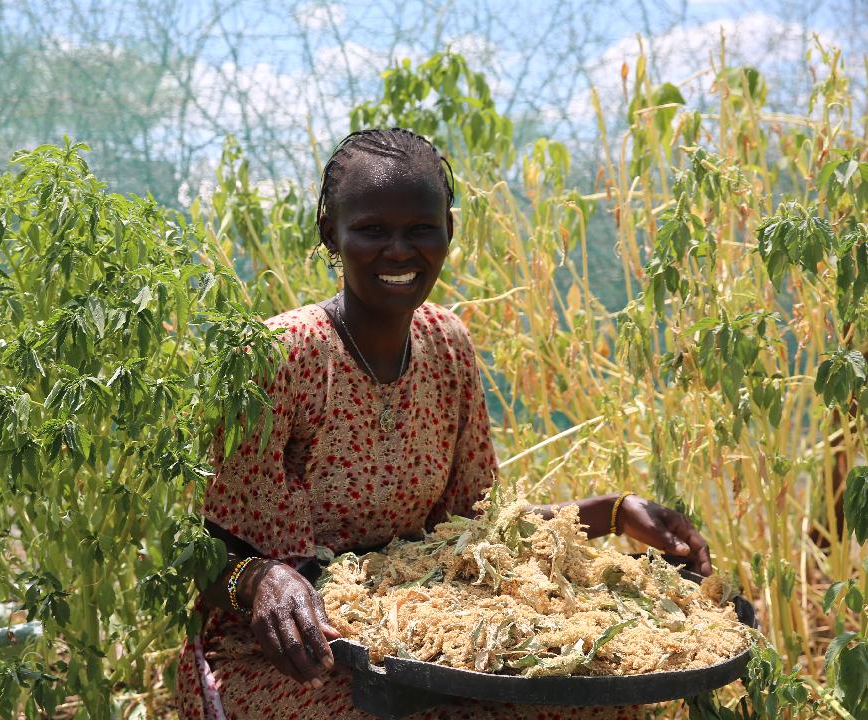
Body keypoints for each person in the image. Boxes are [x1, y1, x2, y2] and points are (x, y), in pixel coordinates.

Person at [175, 128, 712, 720]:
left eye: (421, 229)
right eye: (373, 229)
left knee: (591, 704)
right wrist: (258, 584)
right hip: (284, 658)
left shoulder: (446, 345)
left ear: (449, 231)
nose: (400, 250)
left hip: (415, 643)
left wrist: (610, 513)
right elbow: (193, 549)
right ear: (332, 232)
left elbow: (473, 531)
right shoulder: (284, 356)